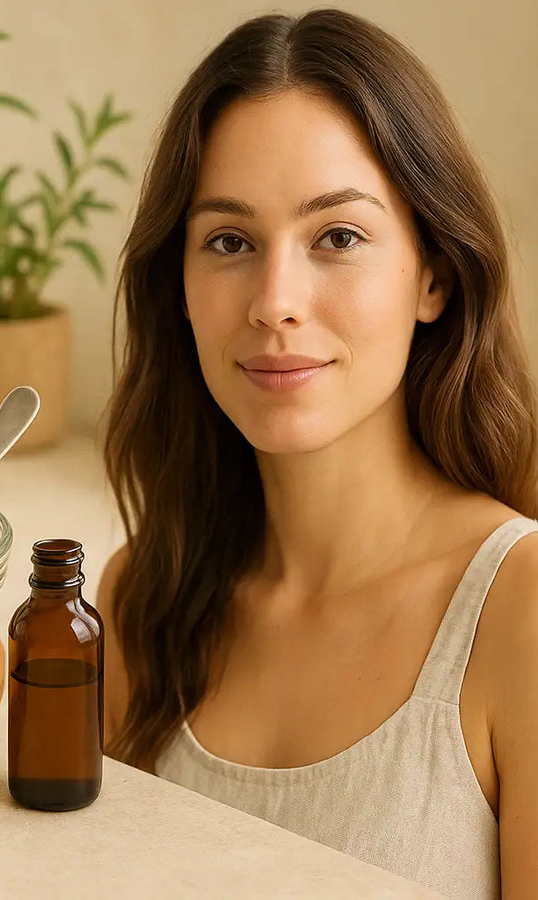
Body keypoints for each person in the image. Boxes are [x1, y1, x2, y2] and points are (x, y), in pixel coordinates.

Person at [95, 8, 538, 899]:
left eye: (337, 237)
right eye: (230, 241)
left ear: (434, 275)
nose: (275, 302)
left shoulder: (517, 616)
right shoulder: (137, 595)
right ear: (176, 288)